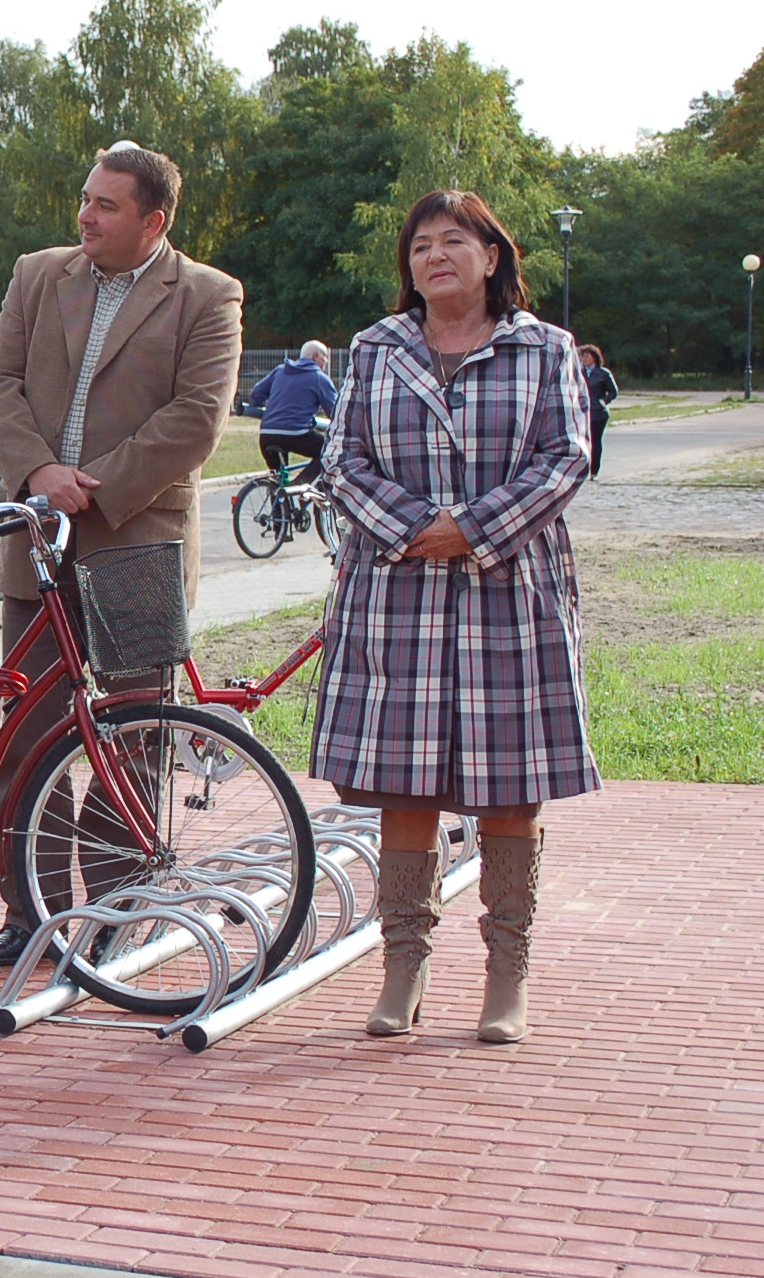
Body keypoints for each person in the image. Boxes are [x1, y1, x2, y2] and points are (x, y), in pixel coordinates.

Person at [315, 189, 598, 1045]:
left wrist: (471, 529)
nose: (434, 256)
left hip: (510, 596)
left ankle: (505, 976)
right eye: (420, 246)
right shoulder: (374, 348)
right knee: (404, 791)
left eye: (453, 242)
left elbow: (566, 458)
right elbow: (342, 459)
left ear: (491, 256)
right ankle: (404, 968)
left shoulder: (543, 349)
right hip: (397, 596)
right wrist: (416, 529)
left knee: (510, 792)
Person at [0, 141, 244, 968]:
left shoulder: (207, 295)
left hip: (141, 545)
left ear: (153, 220)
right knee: (28, 738)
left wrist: (97, 486)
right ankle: (32, 916)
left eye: (107, 205)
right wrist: (41, 474)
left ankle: (121, 918)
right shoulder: (36, 274)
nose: (85, 216)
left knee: (133, 738)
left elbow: (198, 418)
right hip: (40, 550)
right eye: (85, 200)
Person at [245, 339, 338, 484]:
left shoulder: (280, 370)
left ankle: (279, 503)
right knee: (330, 451)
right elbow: (336, 412)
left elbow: (256, 394)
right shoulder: (319, 378)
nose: (326, 362)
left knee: (278, 481)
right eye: (325, 357)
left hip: (267, 434)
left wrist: (265, 407)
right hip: (295, 434)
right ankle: (300, 484)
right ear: (315, 356)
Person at [579, 343, 618, 477]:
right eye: (583, 356)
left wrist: (604, 401)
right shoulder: (579, 373)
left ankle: (594, 471)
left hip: (598, 413)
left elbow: (613, 392)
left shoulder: (603, 374)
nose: (584, 359)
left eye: (587, 356)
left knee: (595, 441)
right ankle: (582, 470)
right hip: (582, 411)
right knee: (582, 442)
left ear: (594, 358)